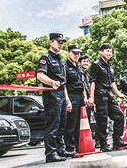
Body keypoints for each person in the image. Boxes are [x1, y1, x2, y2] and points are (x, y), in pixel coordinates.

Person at [36, 33, 73, 163]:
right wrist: (51, 82)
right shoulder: (45, 58)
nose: (60, 44)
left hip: (61, 93)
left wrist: (67, 99)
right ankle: (51, 153)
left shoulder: (59, 59)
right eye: (58, 42)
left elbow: (63, 82)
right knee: (53, 124)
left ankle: (60, 149)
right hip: (51, 94)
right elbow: (40, 75)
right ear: (51, 42)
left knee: (62, 123)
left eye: (62, 42)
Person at [87, 43, 126, 152]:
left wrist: (119, 94)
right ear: (101, 52)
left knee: (119, 115)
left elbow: (112, 82)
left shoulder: (110, 66)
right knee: (102, 120)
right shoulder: (96, 65)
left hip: (109, 93)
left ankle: (117, 140)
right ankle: (103, 144)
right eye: (107, 51)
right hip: (99, 94)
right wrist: (91, 97)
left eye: (110, 51)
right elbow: (93, 81)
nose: (109, 53)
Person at [63, 44, 86, 154]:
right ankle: (70, 147)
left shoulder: (78, 66)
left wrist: (85, 98)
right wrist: (67, 100)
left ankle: (78, 147)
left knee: (79, 124)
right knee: (71, 124)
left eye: (78, 53)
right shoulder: (65, 66)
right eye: (74, 53)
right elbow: (64, 85)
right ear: (68, 53)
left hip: (80, 96)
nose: (76, 55)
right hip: (71, 96)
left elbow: (82, 84)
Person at [79, 55, 101, 148]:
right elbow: (81, 86)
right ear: (80, 62)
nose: (86, 63)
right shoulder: (78, 72)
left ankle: (97, 141)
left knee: (96, 119)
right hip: (82, 100)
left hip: (89, 99)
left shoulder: (86, 74)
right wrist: (85, 98)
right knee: (83, 123)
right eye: (84, 61)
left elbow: (88, 87)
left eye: (87, 61)